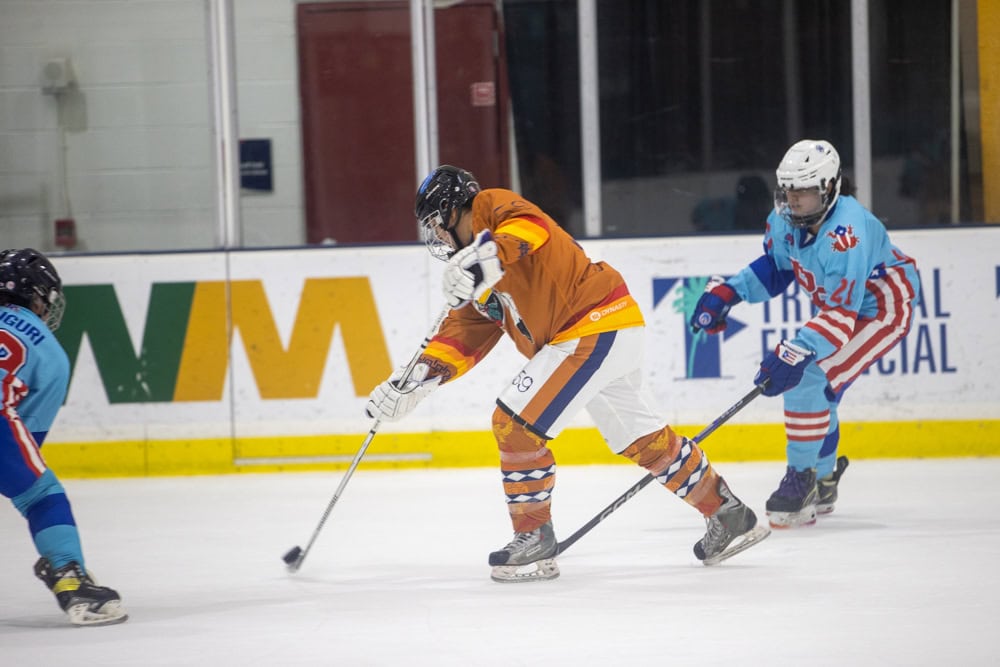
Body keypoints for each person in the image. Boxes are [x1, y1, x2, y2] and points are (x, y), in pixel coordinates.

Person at [365, 165, 769, 582]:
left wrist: (480, 259)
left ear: (453, 212)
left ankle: (534, 538)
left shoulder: (491, 206)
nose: (435, 235)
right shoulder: (475, 276)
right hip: (605, 329)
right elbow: (466, 330)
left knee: (514, 423)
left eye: (435, 222)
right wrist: (417, 381)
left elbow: (530, 227)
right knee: (643, 441)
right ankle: (729, 514)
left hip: (592, 324)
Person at [690, 140, 921, 529]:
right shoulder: (783, 219)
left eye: (805, 192)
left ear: (830, 188)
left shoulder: (848, 233)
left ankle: (802, 479)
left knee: (810, 375)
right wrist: (730, 293)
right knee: (819, 386)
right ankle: (825, 478)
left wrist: (795, 350)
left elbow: (841, 314)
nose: (793, 200)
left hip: (881, 307)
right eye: (788, 190)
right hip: (842, 307)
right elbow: (779, 268)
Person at [0, 249, 127, 626]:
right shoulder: (47, 349)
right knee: (41, 494)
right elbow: (28, 438)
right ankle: (70, 576)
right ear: (36, 296)